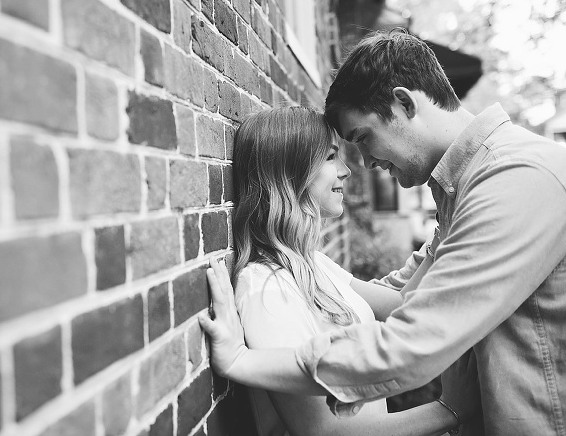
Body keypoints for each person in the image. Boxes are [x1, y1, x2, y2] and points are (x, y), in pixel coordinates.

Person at [199, 28, 566, 436]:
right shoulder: (466, 188)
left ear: (404, 103)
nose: (364, 164)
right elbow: (410, 293)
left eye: (362, 138)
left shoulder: (514, 179)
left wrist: (244, 362)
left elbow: (413, 342)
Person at [205, 105, 477, 436]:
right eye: (331, 157)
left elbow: (403, 303)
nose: (347, 170)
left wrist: (450, 227)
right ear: (292, 170)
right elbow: (323, 430)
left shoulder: (311, 262)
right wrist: (450, 411)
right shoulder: (267, 288)